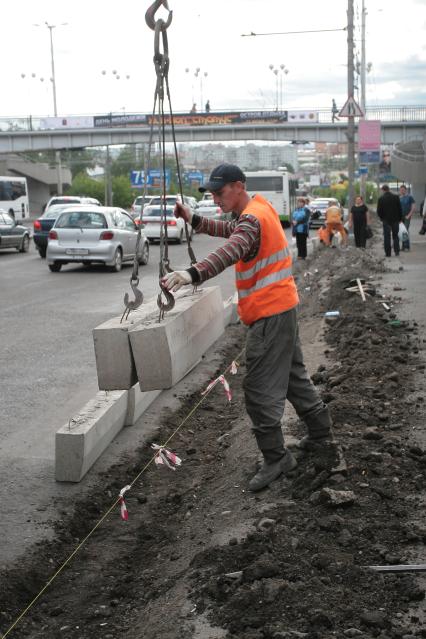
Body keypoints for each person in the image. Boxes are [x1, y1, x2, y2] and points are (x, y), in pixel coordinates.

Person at [161, 163, 334, 492]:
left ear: (239, 186)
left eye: (220, 192)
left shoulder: (251, 219)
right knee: (294, 379)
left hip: (270, 314)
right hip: (282, 309)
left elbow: (232, 249)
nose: (215, 198)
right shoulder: (258, 209)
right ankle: (321, 432)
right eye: (211, 194)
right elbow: (230, 232)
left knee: (257, 389)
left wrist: (192, 273)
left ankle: (276, 458)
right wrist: (194, 219)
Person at [376, 184, 402, 257]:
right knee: (395, 236)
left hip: (386, 220)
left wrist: (382, 218)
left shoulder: (381, 199)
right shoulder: (396, 197)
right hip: (395, 220)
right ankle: (397, 251)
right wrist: (400, 219)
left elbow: (379, 211)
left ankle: (388, 253)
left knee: (387, 237)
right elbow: (400, 209)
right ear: (389, 189)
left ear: (383, 190)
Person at [399, 185, 415, 250]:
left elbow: (413, 207)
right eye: (401, 190)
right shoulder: (399, 198)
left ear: (405, 190)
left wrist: (409, 215)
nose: (402, 191)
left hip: (407, 217)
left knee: (405, 230)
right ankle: (403, 246)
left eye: (403, 189)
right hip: (400, 217)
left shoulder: (410, 197)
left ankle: (406, 246)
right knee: (402, 231)